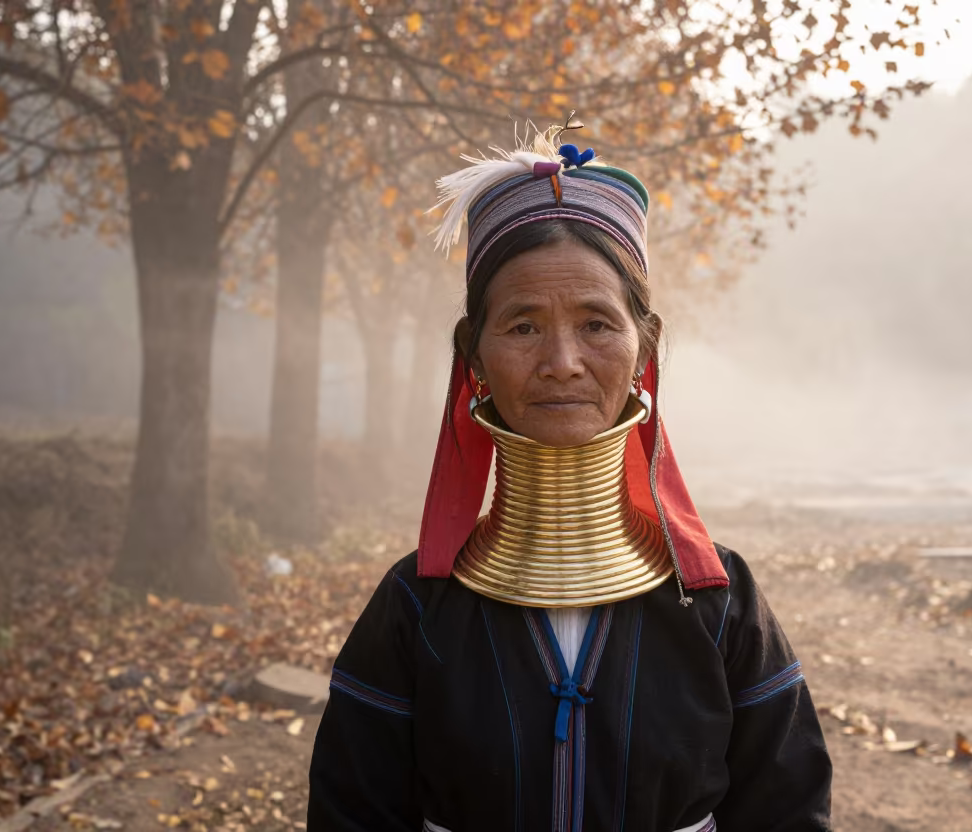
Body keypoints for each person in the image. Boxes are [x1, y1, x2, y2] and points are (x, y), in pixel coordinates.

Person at [308, 124, 832, 831]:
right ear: (474, 356)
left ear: (645, 345)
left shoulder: (718, 605)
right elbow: (351, 817)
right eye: (523, 327)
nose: (562, 362)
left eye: (596, 324)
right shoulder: (416, 611)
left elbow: (790, 812)